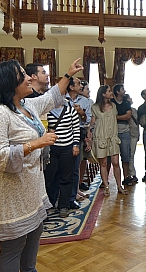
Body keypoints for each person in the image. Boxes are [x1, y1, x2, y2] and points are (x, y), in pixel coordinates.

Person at [0, 58, 83, 272]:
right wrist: (36, 143)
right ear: (7, 83)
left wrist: (68, 75)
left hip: (31, 189)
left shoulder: (26, 106)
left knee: (34, 237)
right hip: (10, 192)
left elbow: (51, 97)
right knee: (13, 247)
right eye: (22, 75)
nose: (29, 77)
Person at [45, 97, 81, 218]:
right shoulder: (47, 111)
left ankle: (64, 205)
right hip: (51, 148)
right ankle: (49, 203)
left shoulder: (71, 111)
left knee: (66, 177)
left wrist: (75, 144)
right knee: (50, 177)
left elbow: (76, 129)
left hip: (67, 148)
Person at [91, 85, 126, 196]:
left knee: (116, 162)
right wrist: (89, 137)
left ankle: (119, 186)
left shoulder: (114, 106)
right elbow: (92, 123)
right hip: (101, 137)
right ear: (103, 94)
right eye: (109, 91)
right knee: (104, 163)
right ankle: (106, 186)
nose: (111, 93)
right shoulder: (95, 107)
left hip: (113, 138)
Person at [66, 77, 91, 208]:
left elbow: (87, 121)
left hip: (78, 134)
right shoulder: (62, 99)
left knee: (76, 166)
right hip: (63, 135)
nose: (81, 85)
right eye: (78, 83)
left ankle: (73, 195)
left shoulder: (85, 101)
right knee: (65, 168)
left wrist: (82, 113)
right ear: (71, 87)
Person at [111, 84, 133, 185]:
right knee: (111, 157)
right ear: (117, 92)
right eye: (122, 89)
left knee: (125, 156)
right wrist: (119, 117)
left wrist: (116, 117)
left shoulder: (126, 102)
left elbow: (128, 116)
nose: (124, 91)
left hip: (125, 131)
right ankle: (108, 180)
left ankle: (126, 177)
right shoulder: (111, 103)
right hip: (113, 132)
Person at [79, 80, 94, 192]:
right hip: (78, 132)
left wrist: (89, 136)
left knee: (84, 158)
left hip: (87, 130)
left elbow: (90, 120)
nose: (89, 91)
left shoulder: (89, 102)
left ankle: (80, 182)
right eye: (87, 89)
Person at [125, 93, 139, 184]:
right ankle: (130, 174)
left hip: (134, 135)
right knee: (128, 155)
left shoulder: (134, 110)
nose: (131, 99)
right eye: (129, 98)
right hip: (127, 134)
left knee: (132, 154)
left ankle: (132, 173)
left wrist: (138, 135)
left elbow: (137, 123)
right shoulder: (125, 111)